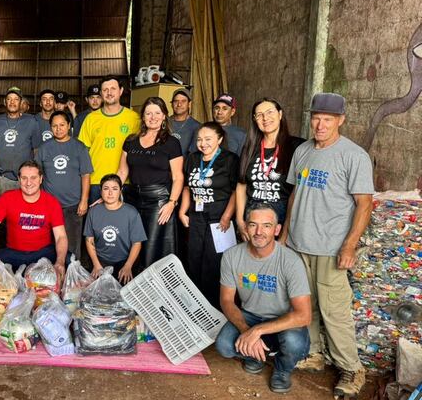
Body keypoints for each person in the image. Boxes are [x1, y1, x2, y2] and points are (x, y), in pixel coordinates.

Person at [280, 93, 373, 399]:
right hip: (298, 243)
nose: (320, 124)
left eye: (327, 119)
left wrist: (349, 246)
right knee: (306, 306)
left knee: (334, 311)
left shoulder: (353, 155)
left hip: (330, 247)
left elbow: (364, 204)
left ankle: (351, 367)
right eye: (316, 118)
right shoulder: (303, 150)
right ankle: (315, 353)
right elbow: (295, 195)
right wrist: (285, 236)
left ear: (341, 120)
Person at [215, 203, 311, 394]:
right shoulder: (231, 256)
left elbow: (304, 316)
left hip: (283, 319)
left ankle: (282, 370)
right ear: (246, 228)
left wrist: (257, 331)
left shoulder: (290, 261)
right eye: (253, 225)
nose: (259, 232)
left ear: (276, 230)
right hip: (250, 315)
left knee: (294, 344)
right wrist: (246, 330)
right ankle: (255, 355)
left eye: (266, 226)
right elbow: (226, 300)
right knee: (224, 345)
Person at [178, 122, 239, 308]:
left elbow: (237, 191)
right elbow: (187, 187)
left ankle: (216, 308)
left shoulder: (230, 159)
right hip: (196, 217)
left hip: (219, 219)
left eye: (208, 139)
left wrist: (227, 216)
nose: (203, 143)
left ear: (220, 139)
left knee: (214, 265)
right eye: (199, 140)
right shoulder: (193, 158)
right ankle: (197, 307)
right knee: (194, 260)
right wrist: (182, 210)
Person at [117, 97, 183, 268]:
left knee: (151, 247)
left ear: (164, 117)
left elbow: (178, 177)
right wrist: (111, 193)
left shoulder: (172, 143)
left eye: (157, 113)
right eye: (148, 113)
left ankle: (152, 287)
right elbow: (122, 172)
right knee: (131, 242)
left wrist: (172, 203)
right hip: (132, 198)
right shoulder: (130, 140)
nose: (152, 117)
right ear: (143, 117)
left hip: (158, 201)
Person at [0, 161, 68, 277]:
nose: (28, 183)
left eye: (33, 178)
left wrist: (60, 261)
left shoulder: (52, 202)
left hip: (43, 253)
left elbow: (60, 236)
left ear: (41, 179)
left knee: (70, 261)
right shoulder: (7, 198)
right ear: (19, 179)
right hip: (14, 253)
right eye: (24, 178)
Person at [235, 98, 305, 237]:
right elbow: (241, 185)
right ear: (255, 119)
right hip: (252, 220)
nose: (265, 118)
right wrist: (239, 220)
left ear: (280, 114)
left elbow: (298, 191)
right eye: (259, 115)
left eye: (269, 112)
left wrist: (286, 232)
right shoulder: (250, 148)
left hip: (281, 219)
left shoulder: (297, 147)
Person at [35, 111, 92, 261]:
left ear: (69, 126)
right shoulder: (44, 148)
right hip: (49, 205)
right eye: (54, 126)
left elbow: (86, 175)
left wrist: (84, 200)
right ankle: (50, 280)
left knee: (72, 247)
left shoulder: (79, 147)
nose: (58, 129)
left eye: (62, 125)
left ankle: (72, 279)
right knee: (48, 245)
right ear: (50, 128)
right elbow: (36, 175)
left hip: (73, 205)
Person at [78, 75, 141, 204]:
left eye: (113, 88)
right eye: (105, 90)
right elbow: (82, 153)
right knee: (97, 222)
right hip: (96, 181)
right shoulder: (91, 119)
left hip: (126, 181)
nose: (109, 92)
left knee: (124, 222)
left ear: (121, 91)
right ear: (101, 93)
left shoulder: (134, 118)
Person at [83, 174, 146, 284]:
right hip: (101, 260)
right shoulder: (93, 211)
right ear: (101, 191)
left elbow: (137, 243)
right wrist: (96, 264)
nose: (110, 193)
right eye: (106, 189)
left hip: (124, 260)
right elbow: (89, 240)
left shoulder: (131, 212)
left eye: (115, 189)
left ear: (121, 190)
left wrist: (128, 266)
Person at [0, 87, 41, 195]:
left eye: (16, 99)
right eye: (9, 99)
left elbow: (36, 151)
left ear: (21, 102)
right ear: (5, 102)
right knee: (5, 211)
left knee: (25, 210)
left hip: (27, 179)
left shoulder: (31, 122)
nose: (12, 102)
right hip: (4, 179)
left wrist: (36, 176)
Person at [168, 88, 200, 157]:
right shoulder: (164, 122)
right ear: (171, 104)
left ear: (189, 104)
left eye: (183, 101)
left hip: (184, 166)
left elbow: (193, 155)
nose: (179, 104)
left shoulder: (196, 126)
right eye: (176, 101)